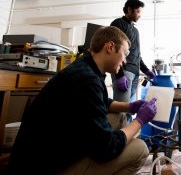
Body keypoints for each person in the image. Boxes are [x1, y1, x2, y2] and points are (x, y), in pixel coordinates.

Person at [7, 26, 157, 175]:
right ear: (110, 47)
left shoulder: (86, 67)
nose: (124, 61)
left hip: (47, 149)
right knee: (140, 149)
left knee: (119, 116)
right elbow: (108, 148)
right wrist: (140, 121)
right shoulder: (87, 80)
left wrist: (130, 106)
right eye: (124, 54)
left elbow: (101, 102)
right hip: (42, 167)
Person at [110, 0, 156, 122]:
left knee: (130, 109)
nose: (140, 15)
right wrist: (119, 75)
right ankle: (118, 138)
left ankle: (128, 136)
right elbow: (114, 50)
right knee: (121, 109)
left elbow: (137, 55)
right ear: (129, 9)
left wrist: (146, 71)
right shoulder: (118, 24)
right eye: (138, 12)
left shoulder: (135, 31)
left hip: (135, 74)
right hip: (124, 72)